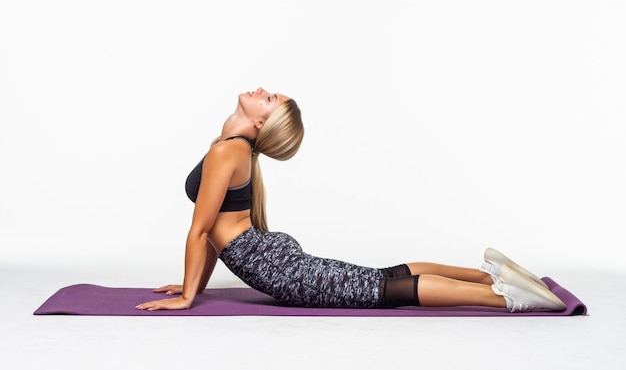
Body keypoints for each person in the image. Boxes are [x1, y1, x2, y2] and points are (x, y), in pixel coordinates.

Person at [135, 87, 566, 313]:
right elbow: (209, 230)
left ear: (260, 120)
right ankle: (487, 274)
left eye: (269, 97)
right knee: (380, 278)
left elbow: (200, 229)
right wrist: (193, 284)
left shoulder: (225, 151)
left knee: (384, 289)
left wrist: (189, 296)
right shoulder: (228, 148)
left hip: (276, 268)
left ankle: (503, 296)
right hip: (273, 257)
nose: (263, 89)